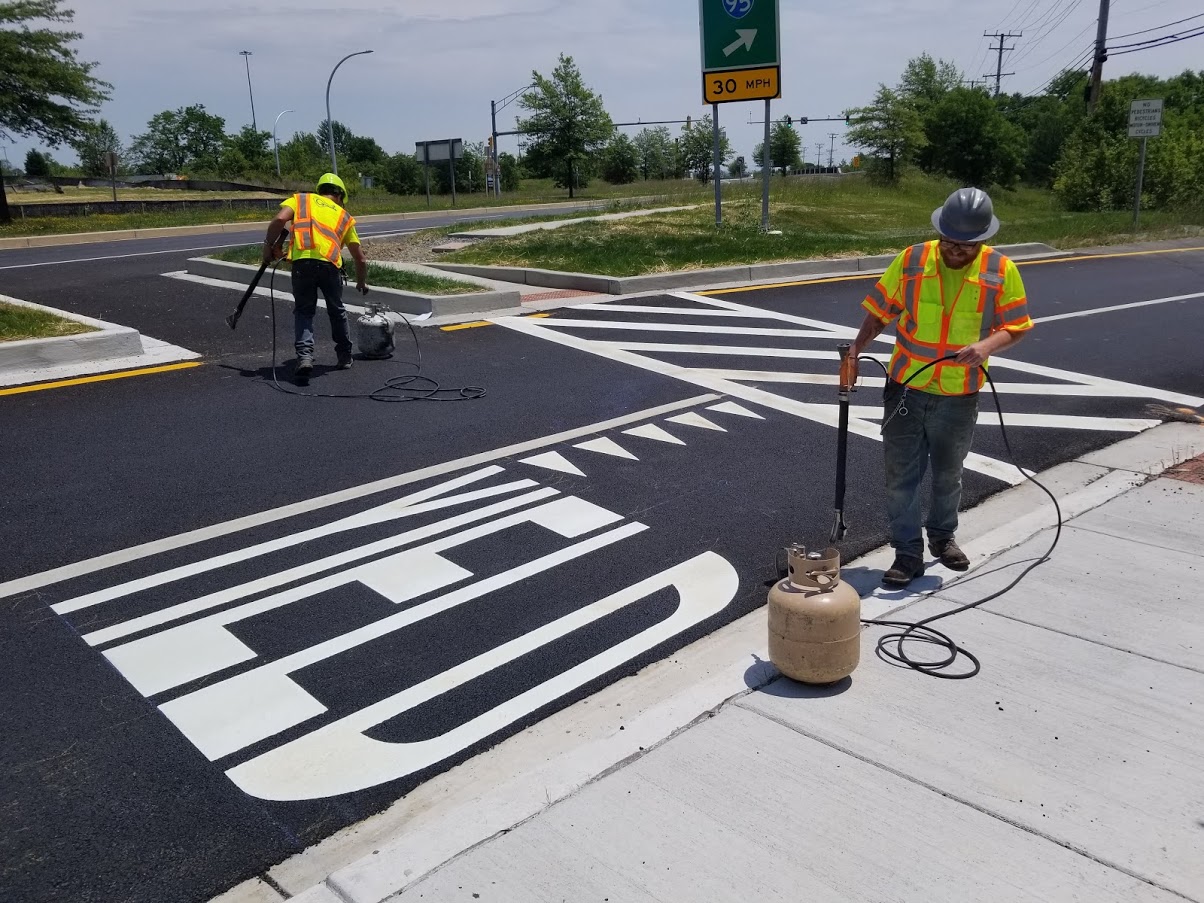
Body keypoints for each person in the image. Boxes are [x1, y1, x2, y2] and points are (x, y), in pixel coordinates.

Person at [846, 187, 1035, 587]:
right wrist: (856, 352)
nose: (955, 251)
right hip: (906, 388)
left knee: (949, 474)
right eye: (949, 242)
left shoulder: (1001, 270)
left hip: (959, 394)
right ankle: (907, 552)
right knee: (901, 475)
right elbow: (880, 314)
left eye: (965, 246)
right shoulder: (912, 260)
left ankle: (942, 538)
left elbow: (1016, 327)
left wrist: (985, 347)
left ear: (983, 240)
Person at [262, 172, 368, 384]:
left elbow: (280, 220)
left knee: (304, 311)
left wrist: (268, 247)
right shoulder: (343, 216)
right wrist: (361, 282)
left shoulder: (301, 200)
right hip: (330, 267)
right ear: (339, 195)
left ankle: (305, 357)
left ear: (321, 190)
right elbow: (360, 258)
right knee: (336, 310)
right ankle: (344, 355)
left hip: (302, 265)